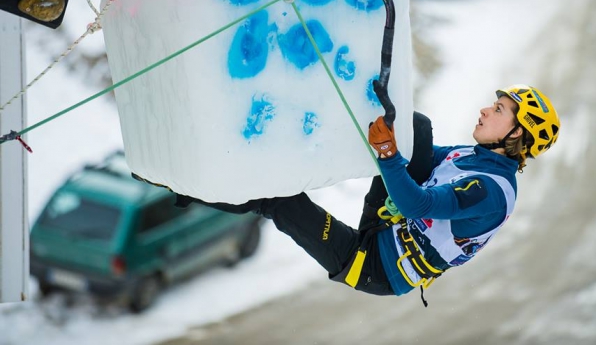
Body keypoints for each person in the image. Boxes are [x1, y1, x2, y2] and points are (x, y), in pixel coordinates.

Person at [175, 84, 560, 303]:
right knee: (415, 127)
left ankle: (185, 186)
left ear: (516, 135)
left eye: (498, 110)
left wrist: (388, 153)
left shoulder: (489, 193)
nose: (484, 110)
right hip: (388, 223)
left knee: (279, 203)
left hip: (373, 265)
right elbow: (413, 148)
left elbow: (417, 202)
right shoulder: (472, 157)